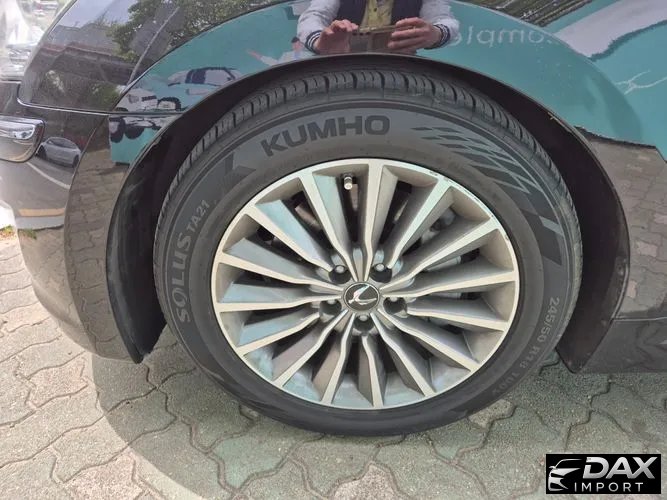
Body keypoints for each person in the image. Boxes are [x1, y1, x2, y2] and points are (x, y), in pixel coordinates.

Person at [297, 0, 459, 55]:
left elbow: (444, 20)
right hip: (340, 66)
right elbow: (313, 16)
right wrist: (319, 42)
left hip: (402, 69)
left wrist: (436, 33)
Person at [247, 37, 312, 66]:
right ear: (292, 46)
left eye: (299, 44)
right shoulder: (286, 55)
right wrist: (256, 55)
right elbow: (274, 63)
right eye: (294, 45)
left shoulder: (311, 55)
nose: (296, 46)